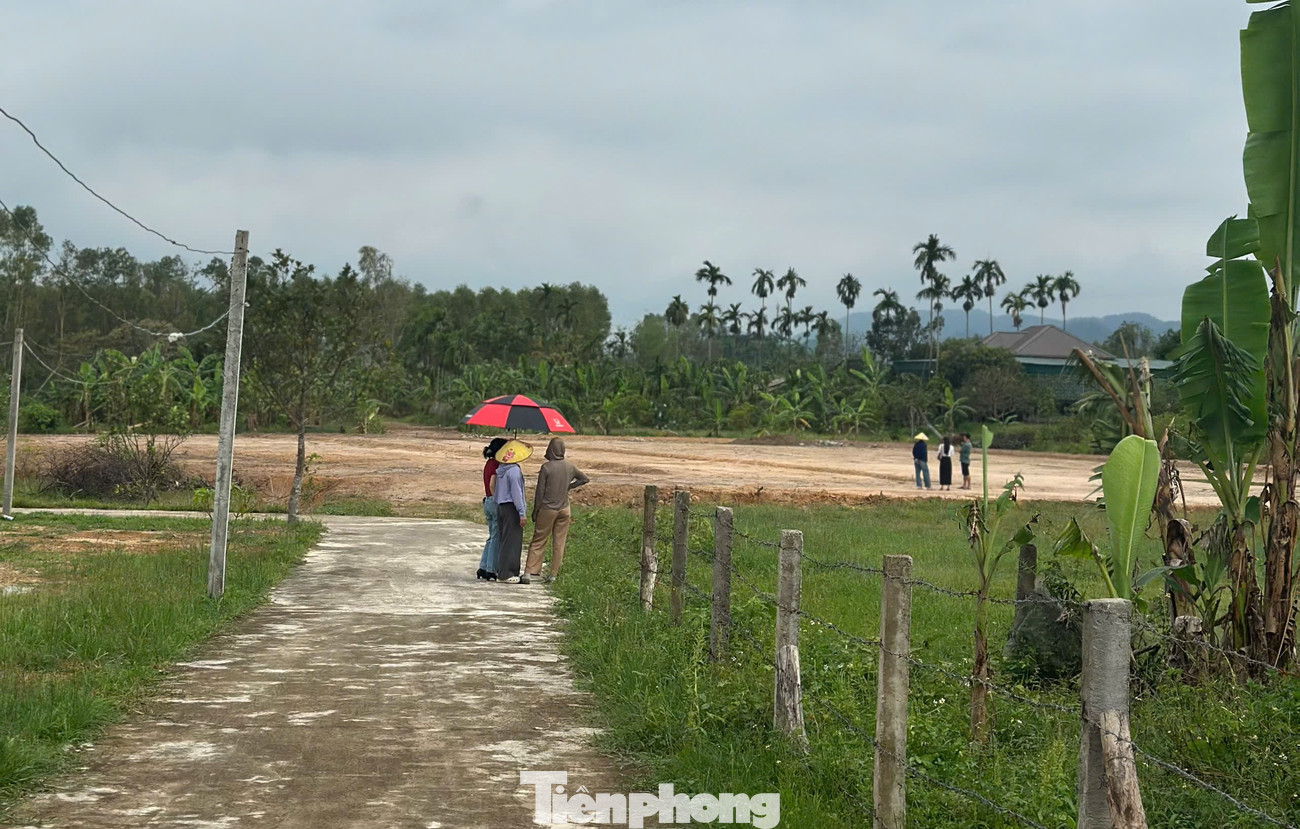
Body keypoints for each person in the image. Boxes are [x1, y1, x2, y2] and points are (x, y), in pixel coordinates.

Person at [523, 438, 590, 585]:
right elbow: (585, 479)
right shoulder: (570, 466)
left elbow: (540, 492)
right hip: (565, 509)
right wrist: (568, 486)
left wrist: (536, 510)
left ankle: (528, 572)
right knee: (559, 542)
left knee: (539, 539)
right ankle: (553, 575)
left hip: (548, 509)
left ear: (550, 449)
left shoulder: (546, 467)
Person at [493, 439, 533, 584]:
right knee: (513, 541)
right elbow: (517, 494)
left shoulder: (501, 469)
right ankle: (508, 573)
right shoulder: (514, 471)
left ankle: (502, 571)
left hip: (501, 507)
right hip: (512, 509)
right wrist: (522, 513)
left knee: (504, 540)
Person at [477, 437, 508, 580]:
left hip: (487, 502)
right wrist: (498, 499)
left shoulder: (488, 463)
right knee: (496, 537)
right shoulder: (496, 464)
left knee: (491, 536)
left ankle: (483, 566)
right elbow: (492, 484)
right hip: (494, 501)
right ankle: (491, 569)